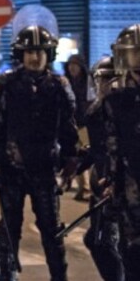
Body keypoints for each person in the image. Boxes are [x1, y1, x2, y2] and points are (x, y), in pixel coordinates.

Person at [0, 25, 78, 281]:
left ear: (48, 54)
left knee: (52, 231)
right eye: (29, 52)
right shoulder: (5, 84)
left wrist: (71, 161)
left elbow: (69, 129)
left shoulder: (59, 86)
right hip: (11, 169)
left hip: (45, 169)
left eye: (39, 52)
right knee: (8, 231)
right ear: (20, 54)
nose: (34, 57)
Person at [102, 24, 140, 281]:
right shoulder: (117, 93)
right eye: (134, 52)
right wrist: (112, 180)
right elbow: (112, 141)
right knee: (131, 251)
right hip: (130, 181)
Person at [82, 56, 125, 281]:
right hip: (102, 183)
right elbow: (98, 148)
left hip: (119, 184)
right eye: (102, 79)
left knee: (114, 241)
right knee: (97, 239)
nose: (105, 84)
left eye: (110, 79)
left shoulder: (126, 106)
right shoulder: (96, 110)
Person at [64, 54, 93, 201]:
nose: (72, 68)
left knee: (86, 153)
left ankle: (87, 187)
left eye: (75, 65)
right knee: (76, 154)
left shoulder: (87, 82)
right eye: (70, 65)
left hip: (84, 123)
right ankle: (84, 186)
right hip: (72, 123)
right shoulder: (66, 83)